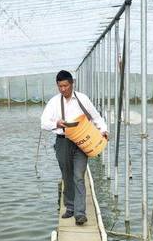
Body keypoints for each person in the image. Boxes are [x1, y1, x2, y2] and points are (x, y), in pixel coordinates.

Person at [41, 70, 108, 225]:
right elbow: (43, 122)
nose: (63, 89)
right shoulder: (54, 102)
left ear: (72, 84)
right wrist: (56, 123)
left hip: (81, 142)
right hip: (63, 141)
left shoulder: (82, 98)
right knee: (67, 174)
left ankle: (80, 213)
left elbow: (96, 117)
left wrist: (103, 130)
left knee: (79, 175)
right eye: (60, 86)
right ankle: (70, 207)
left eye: (65, 85)